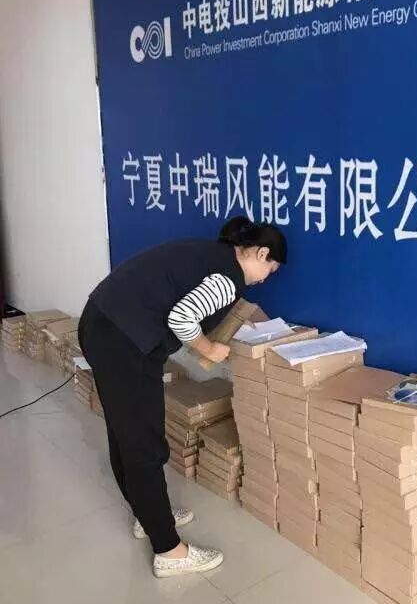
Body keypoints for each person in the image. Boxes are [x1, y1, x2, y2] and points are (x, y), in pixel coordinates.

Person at [78, 217, 286, 577]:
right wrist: (210, 348)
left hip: (104, 324)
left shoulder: (211, 255)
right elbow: (182, 317)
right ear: (261, 253)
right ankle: (169, 550)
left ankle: (148, 514)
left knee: (125, 432)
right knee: (142, 443)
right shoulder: (228, 278)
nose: (266, 278)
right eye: (271, 268)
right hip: (122, 340)